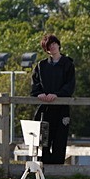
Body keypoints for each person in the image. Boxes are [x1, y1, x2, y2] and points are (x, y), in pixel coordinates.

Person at [30, 33, 76, 165]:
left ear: (58, 45)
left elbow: (70, 84)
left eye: (54, 44)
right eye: (49, 46)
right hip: (46, 108)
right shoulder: (41, 65)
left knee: (60, 138)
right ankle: (45, 165)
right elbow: (35, 83)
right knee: (44, 138)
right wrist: (39, 94)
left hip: (62, 107)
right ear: (46, 49)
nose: (53, 47)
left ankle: (58, 167)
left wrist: (58, 95)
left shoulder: (68, 64)